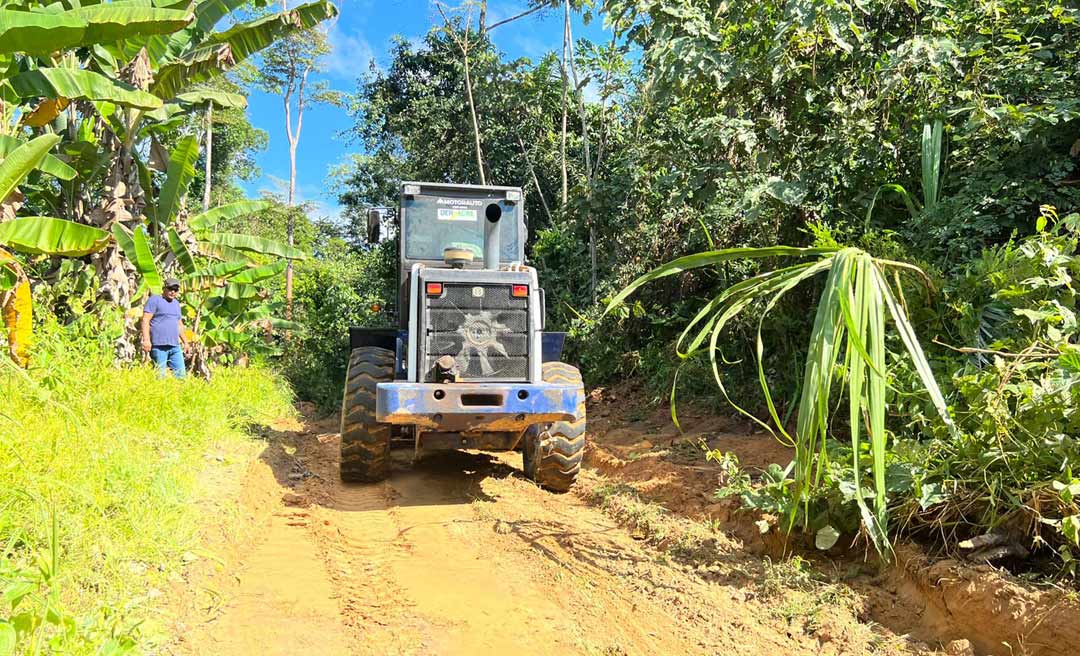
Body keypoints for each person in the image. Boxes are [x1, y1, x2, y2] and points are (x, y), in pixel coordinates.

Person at [141, 278, 190, 378]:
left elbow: (179, 325)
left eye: (175, 290)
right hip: (159, 346)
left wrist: (185, 342)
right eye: (170, 288)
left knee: (181, 376)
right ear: (164, 288)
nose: (173, 292)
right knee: (160, 376)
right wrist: (146, 340)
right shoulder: (155, 300)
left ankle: (180, 393)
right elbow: (145, 320)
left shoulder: (176, 304)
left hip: (174, 346)